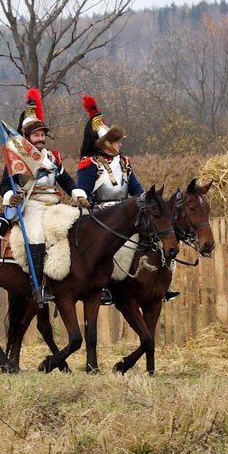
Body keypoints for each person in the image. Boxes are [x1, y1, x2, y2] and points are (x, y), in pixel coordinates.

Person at [75, 95, 171, 304]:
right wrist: (85, 203)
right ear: (106, 144)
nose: (120, 145)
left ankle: (161, 284)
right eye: (117, 141)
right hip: (102, 216)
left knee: (155, 238)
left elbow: (136, 189)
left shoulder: (124, 162)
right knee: (114, 249)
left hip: (127, 212)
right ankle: (107, 288)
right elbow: (83, 192)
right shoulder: (89, 164)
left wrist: (148, 202)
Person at [0, 89, 88, 305]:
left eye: (42, 135)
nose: (41, 139)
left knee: (81, 228)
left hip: (55, 204)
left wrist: (77, 193)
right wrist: (11, 197)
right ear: (27, 137)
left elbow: (65, 180)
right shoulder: (16, 158)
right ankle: (38, 287)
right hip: (32, 205)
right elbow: (3, 186)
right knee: (37, 236)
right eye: (36, 135)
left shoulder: (53, 157)